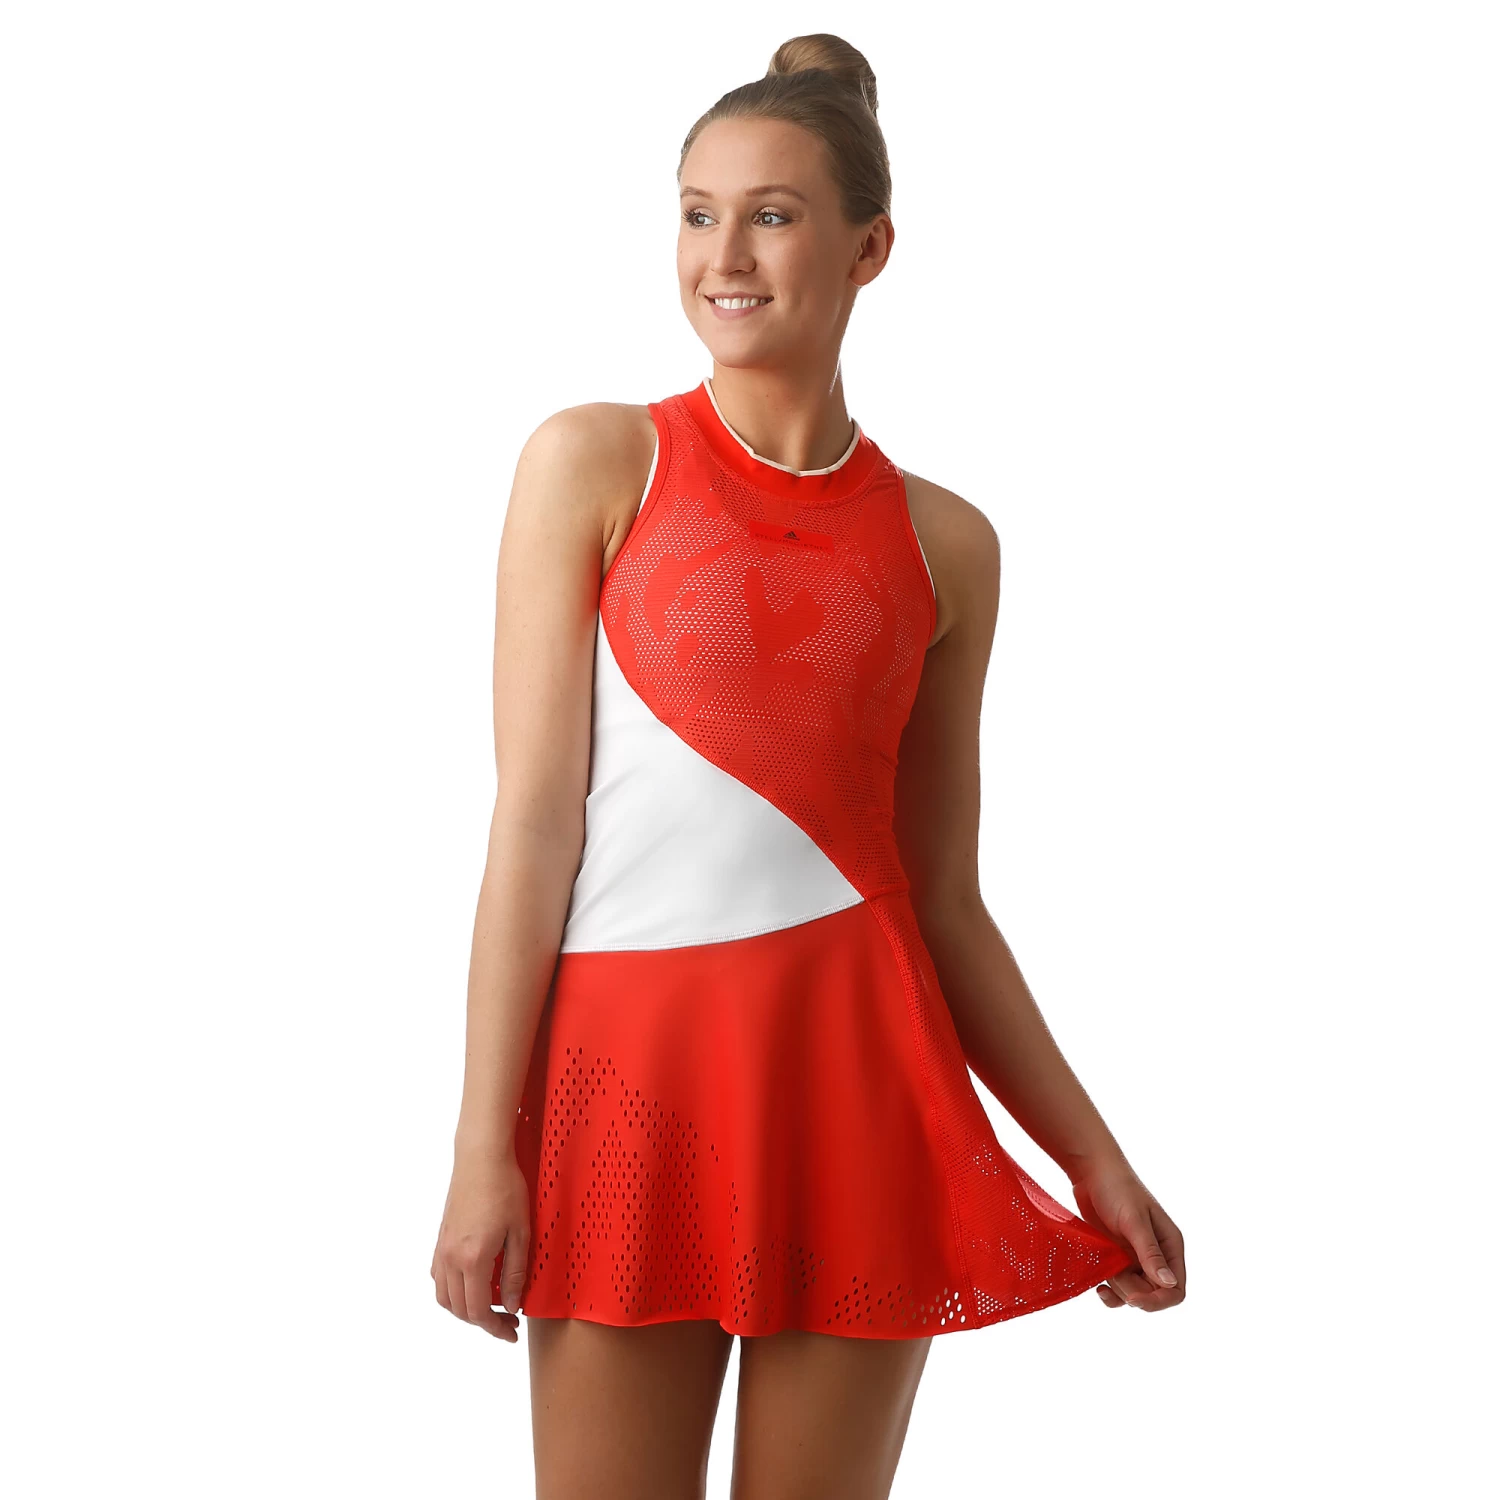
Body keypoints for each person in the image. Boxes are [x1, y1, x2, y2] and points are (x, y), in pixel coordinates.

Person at [432, 32, 1185, 1498]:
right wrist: (481, 1149)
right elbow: (530, 827)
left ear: (869, 246)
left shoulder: (947, 543)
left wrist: (1091, 1155)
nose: (723, 256)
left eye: (772, 215)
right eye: (697, 213)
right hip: (625, 1084)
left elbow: (941, 897)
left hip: (856, 1086)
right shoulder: (596, 463)